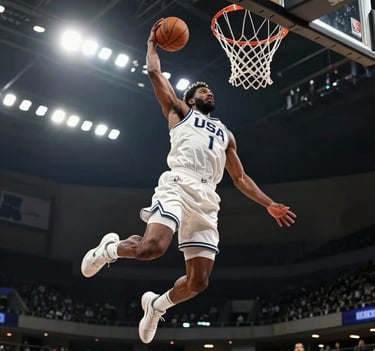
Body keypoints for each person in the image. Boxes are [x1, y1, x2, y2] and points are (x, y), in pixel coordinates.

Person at [80, 18, 297, 344]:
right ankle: (109, 249)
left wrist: (269, 204)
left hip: (208, 198)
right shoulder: (180, 112)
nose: (208, 90)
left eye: (209, 89)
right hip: (178, 184)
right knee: (151, 248)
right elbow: (156, 75)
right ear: (191, 99)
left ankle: (155, 305)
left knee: (199, 283)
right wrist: (152, 45)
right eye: (202, 89)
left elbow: (239, 177)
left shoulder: (226, 133)